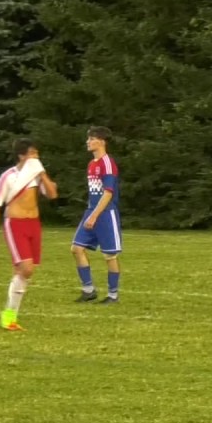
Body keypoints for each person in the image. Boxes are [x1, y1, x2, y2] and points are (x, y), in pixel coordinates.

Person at [0, 138, 58, 331]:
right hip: (15, 224)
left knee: (24, 272)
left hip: (33, 224)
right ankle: (8, 316)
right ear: (22, 155)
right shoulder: (8, 177)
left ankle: (10, 318)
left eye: (37, 153)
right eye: (32, 153)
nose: (36, 157)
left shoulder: (35, 176)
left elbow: (52, 194)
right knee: (26, 269)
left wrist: (42, 173)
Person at [72, 126, 123, 303]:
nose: (88, 142)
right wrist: (90, 212)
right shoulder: (91, 164)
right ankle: (89, 290)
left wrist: (94, 216)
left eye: (91, 139)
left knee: (109, 256)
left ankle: (113, 295)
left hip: (106, 214)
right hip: (91, 211)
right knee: (76, 248)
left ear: (101, 141)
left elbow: (108, 193)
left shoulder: (107, 163)